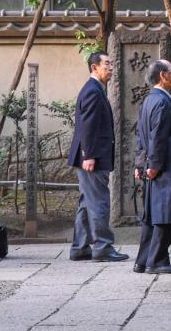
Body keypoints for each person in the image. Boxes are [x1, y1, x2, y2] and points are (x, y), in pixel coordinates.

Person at [66, 51, 128, 263]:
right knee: (99, 201)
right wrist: (89, 155)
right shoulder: (93, 91)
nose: (111, 68)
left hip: (88, 156)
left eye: (111, 64)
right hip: (91, 157)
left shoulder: (93, 89)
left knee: (87, 202)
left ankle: (80, 247)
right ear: (94, 67)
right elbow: (88, 126)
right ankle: (102, 246)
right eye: (107, 64)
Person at [133, 59, 171, 274]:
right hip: (165, 168)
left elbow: (141, 135)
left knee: (152, 215)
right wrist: (155, 165)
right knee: (165, 215)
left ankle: (143, 260)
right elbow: (157, 137)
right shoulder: (161, 102)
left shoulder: (150, 100)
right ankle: (156, 261)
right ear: (162, 75)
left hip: (155, 166)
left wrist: (140, 164)